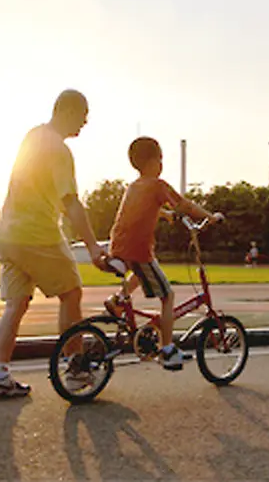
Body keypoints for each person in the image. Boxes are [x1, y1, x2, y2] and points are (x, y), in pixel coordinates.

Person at [0, 89, 105, 399]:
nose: (85, 123)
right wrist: (93, 247)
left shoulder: (33, 136)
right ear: (66, 111)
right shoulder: (59, 149)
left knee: (17, 304)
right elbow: (72, 203)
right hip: (37, 235)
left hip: (7, 234)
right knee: (71, 293)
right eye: (83, 115)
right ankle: (75, 369)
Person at [103, 137, 224, 370]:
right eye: (160, 159)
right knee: (168, 296)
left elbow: (144, 210)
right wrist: (210, 217)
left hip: (119, 246)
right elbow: (185, 205)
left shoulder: (134, 187)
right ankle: (167, 349)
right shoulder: (157, 185)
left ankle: (117, 300)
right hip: (139, 250)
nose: (162, 164)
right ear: (153, 161)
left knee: (140, 274)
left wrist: (165, 215)